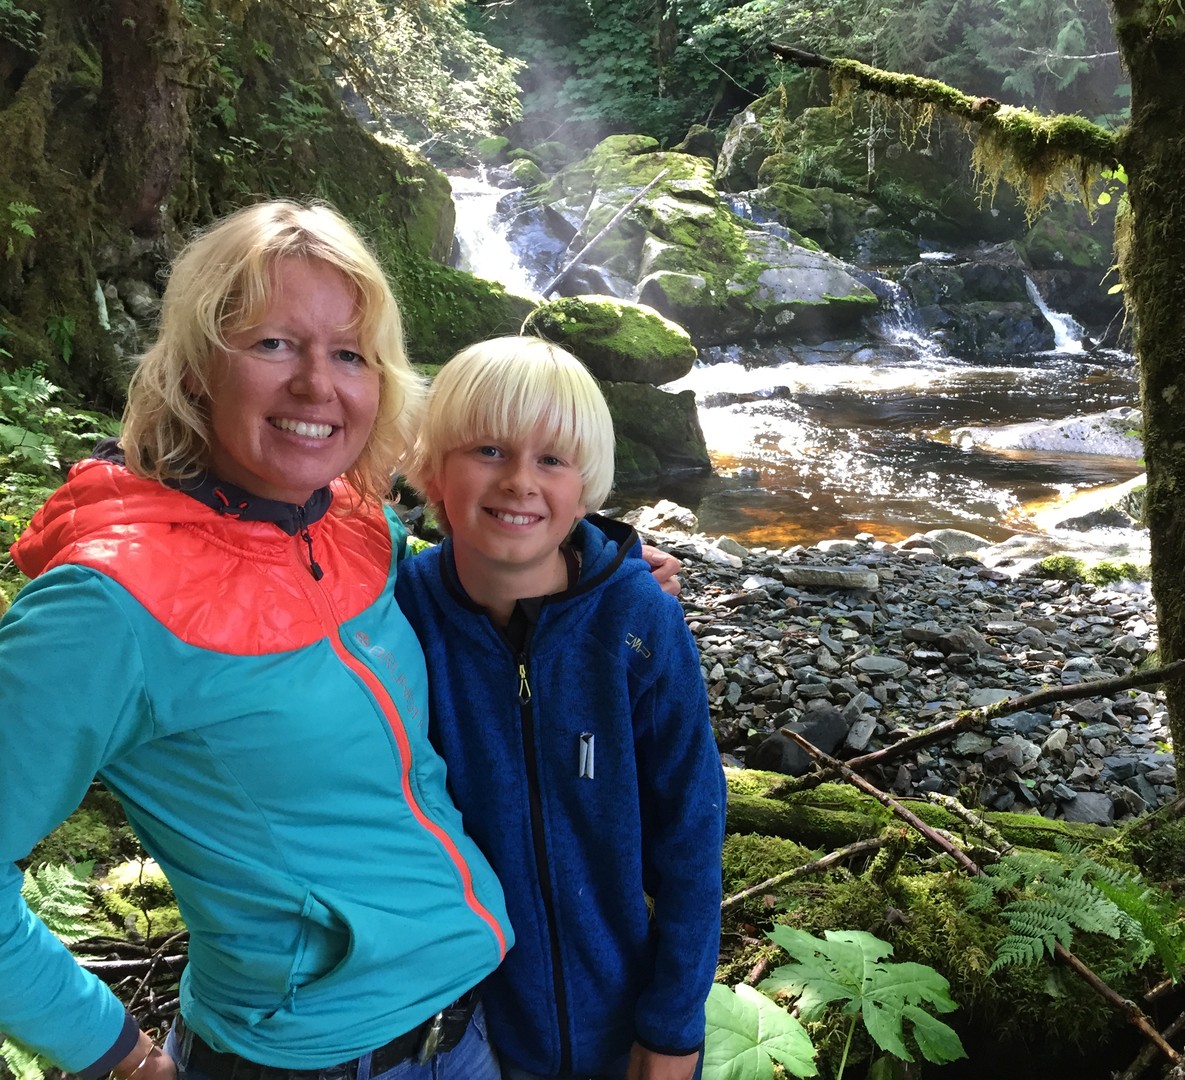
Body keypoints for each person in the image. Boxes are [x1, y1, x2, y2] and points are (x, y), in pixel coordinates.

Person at [0, 201, 678, 1080]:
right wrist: (119, 1056)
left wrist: (591, 577)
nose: (319, 386)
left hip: (470, 1034)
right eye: (274, 343)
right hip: (307, 1060)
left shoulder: (353, 527)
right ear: (199, 366)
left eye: (349, 355)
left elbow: (469, 587)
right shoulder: (102, 609)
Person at [396, 336, 725, 1080]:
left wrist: (674, 1027)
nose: (519, 482)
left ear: (587, 486)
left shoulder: (636, 622)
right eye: (487, 450)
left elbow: (691, 833)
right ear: (432, 471)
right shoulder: (398, 617)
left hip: (624, 1026)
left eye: (552, 460)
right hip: (465, 1037)